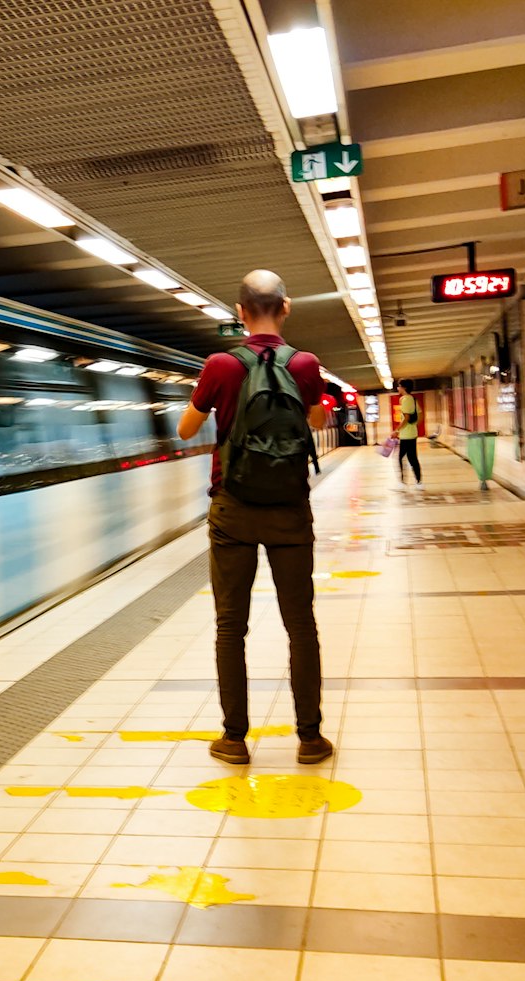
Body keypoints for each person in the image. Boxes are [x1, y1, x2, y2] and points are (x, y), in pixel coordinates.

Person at [177, 270, 333, 766]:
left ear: (240, 312)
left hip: (233, 509)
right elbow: (318, 420)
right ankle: (310, 738)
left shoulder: (221, 365)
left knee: (230, 627)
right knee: (300, 624)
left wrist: (211, 403)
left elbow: (186, 430)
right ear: (285, 308)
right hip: (289, 508)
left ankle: (234, 739)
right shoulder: (305, 363)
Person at [396, 380, 422, 486]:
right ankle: (419, 481)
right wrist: (414, 426)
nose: (398, 388)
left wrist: (397, 430)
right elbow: (420, 415)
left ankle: (403, 482)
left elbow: (406, 417)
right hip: (411, 433)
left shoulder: (406, 399)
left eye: (399, 386)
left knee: (402, 457)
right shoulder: (413, 399)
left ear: (404, 388)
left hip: (406, 435)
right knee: (412, 457)